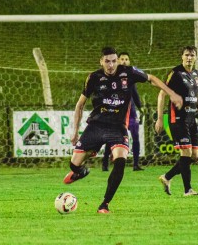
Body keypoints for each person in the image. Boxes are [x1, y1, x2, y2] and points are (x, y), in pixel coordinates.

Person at [64, 46, 183, 214]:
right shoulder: (93, 77)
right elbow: (80, 105)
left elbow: (152, 78)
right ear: (101, 62)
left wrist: (171, 93)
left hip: (118, 127)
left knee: (120, 161)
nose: (111, 65)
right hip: (96, 125)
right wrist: (75, 131)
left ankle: (104, 204)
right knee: (73, 164)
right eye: (107, 61)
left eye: (114, 61)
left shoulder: (128, 72)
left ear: (117, 60)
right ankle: (80, 171)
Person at [155, 46, 198, 197]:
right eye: (186, 55)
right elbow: (162, 94)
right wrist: (160, 118)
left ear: (196, 57)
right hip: (177, 119)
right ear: (182, 57)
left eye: (192, 55)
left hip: (191, 119)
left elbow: (197, 98)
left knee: (194, 156)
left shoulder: (195, 74)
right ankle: (188, 190)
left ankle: (167, 177)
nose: (189, 58)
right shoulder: (175, 73)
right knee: (185, 153)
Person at [102, 51, 144, 172]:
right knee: (111, 138)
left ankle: (136, 164)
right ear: (118, 61)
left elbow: (134, 93)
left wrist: (140, 107)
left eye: (126, 59)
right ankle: (105, 163)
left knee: (135, 137)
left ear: (129, 61)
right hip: (117, 114)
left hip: (131, 113)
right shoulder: (112, 76)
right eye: (122, 59)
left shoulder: (131, 76)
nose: (124, 61)